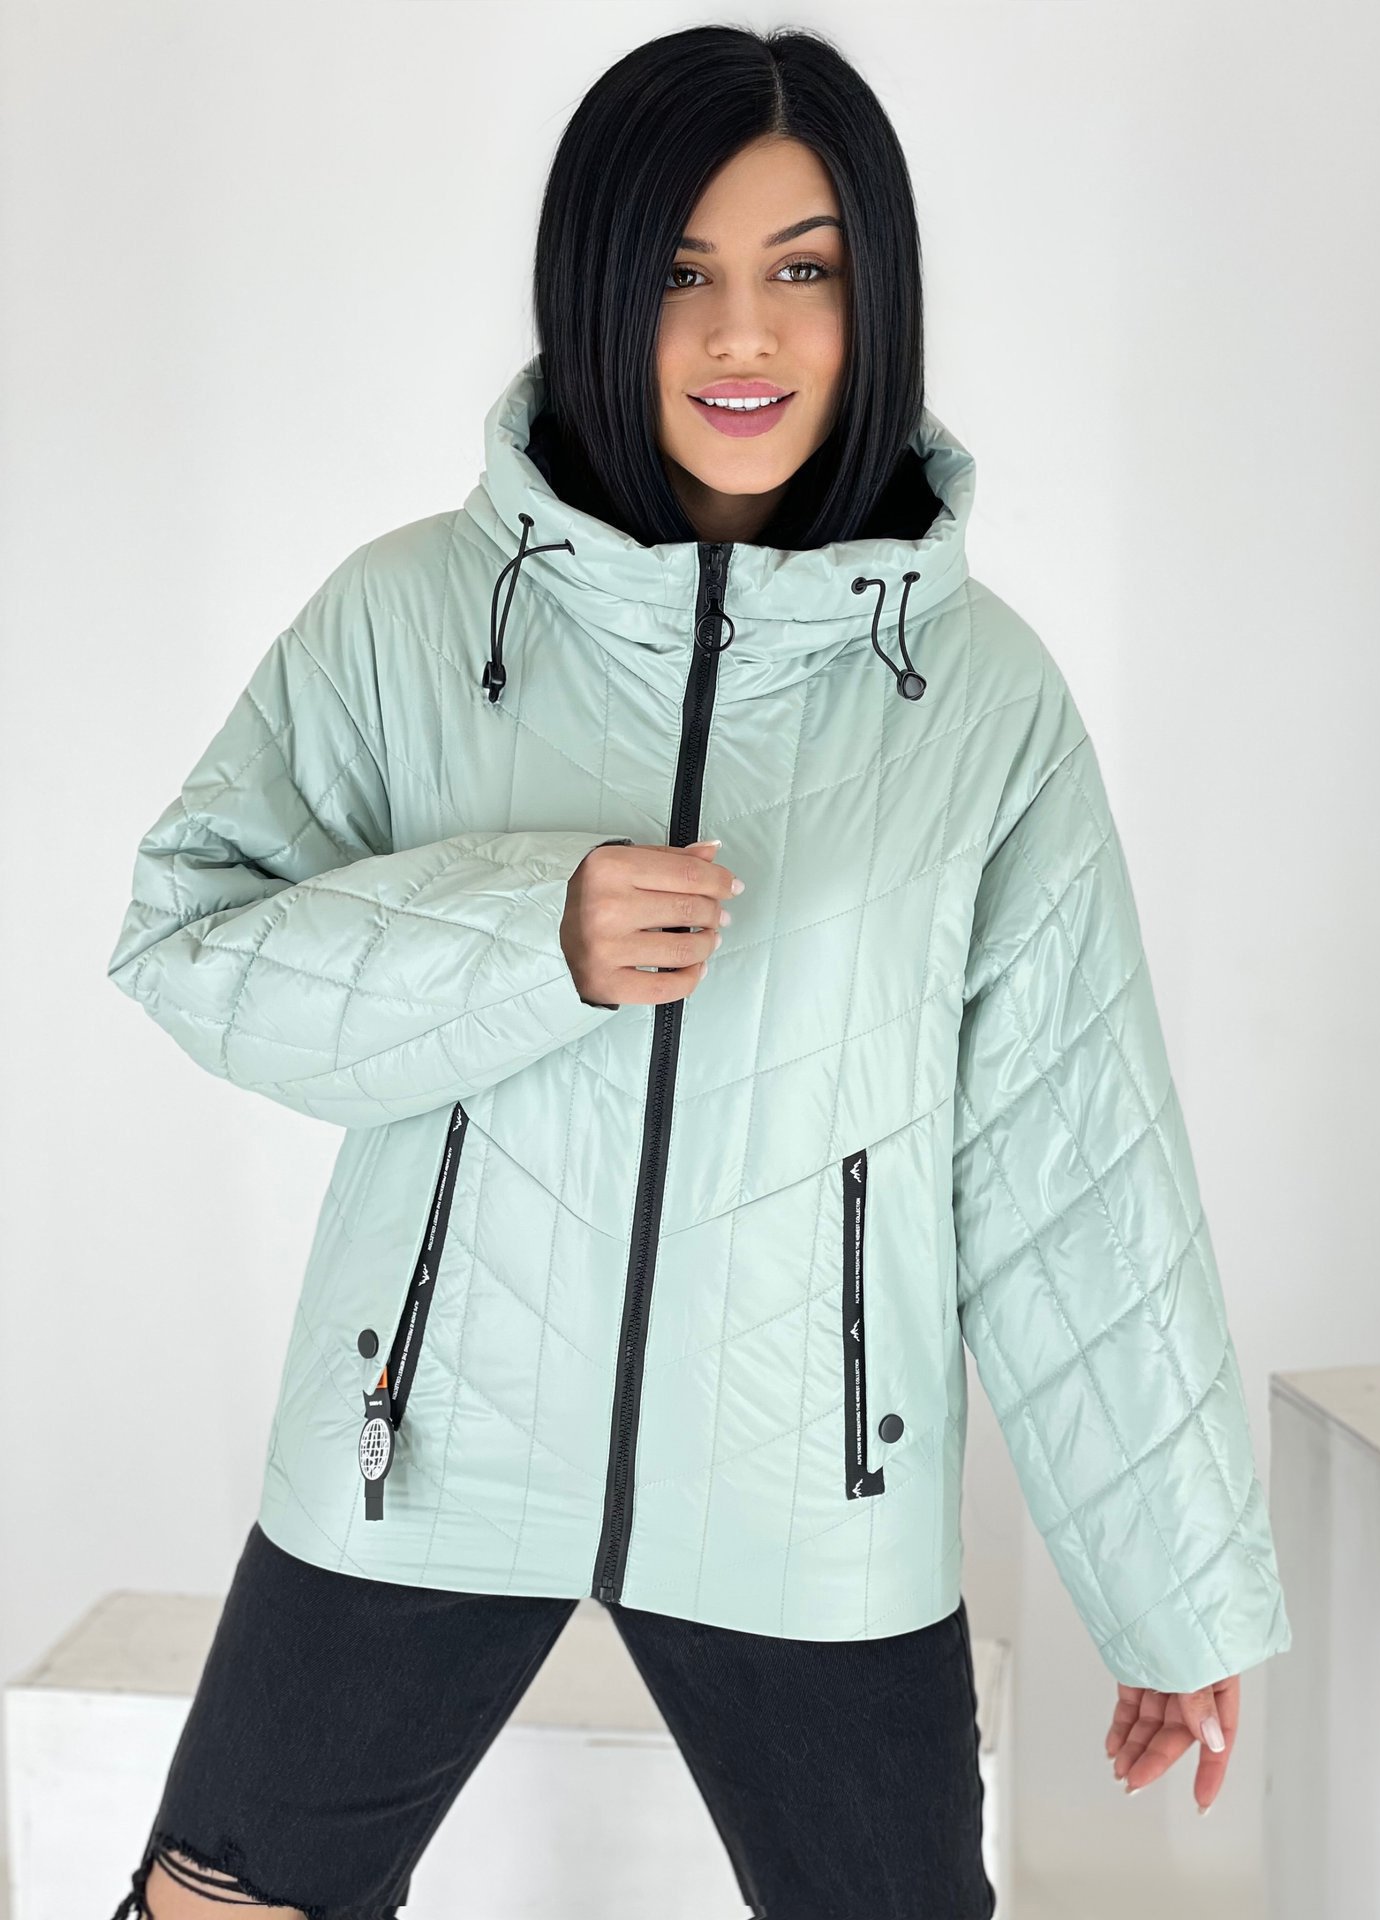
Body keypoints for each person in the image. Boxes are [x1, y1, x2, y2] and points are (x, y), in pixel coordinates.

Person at [104, 23, 1291, 1920]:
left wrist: (1174, 1589)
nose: (744, 335)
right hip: (417, 1445)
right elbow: (189, 937)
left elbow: (1077, 1166)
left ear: (873, 295)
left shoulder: (983, 701)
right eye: (679, 272)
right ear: (596, 287)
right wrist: (533, 934)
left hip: (813, 1493)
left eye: (802, 270)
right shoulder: (411, 616)